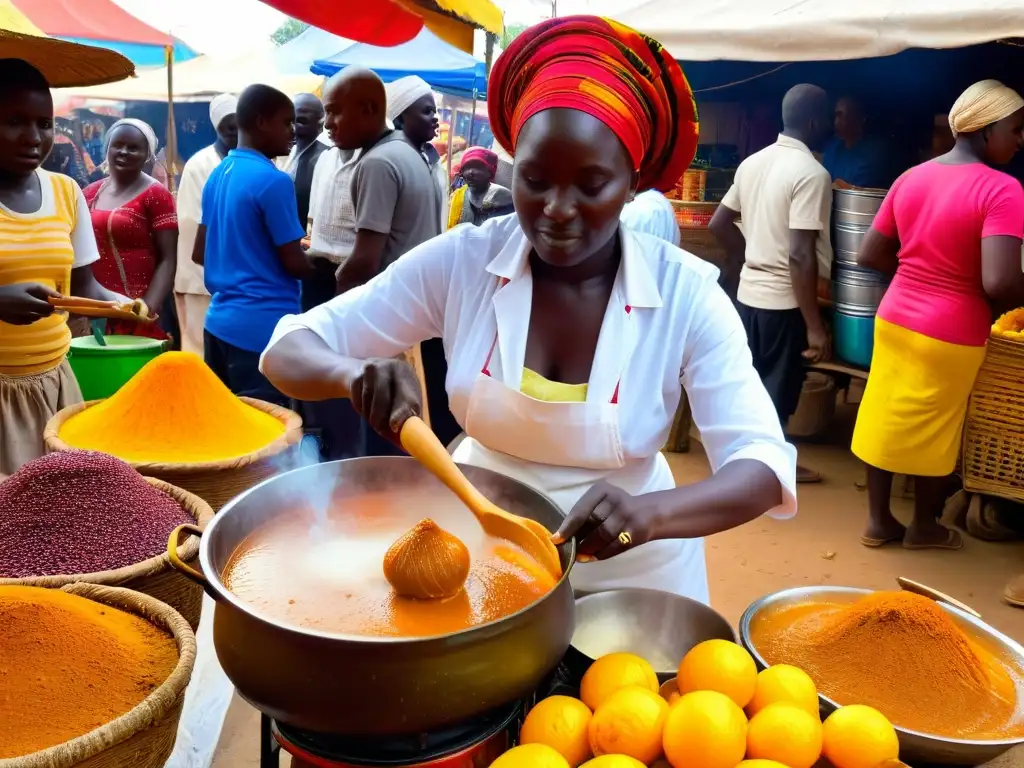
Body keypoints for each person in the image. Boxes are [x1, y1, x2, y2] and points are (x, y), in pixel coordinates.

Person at [260, 16, 796, 604]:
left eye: (591, 184)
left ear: (634, 181)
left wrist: (650, 513)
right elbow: (286, 350)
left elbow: (762, 467)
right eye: (536, 180)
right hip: (478, 557)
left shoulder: (686, 294)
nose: (557, 209)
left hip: (633, 578)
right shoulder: (465, 262)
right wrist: (352, 373)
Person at [852, 81, 1024, 561]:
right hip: (952, 330)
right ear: (986, 129)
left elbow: (869, 252)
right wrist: (952, 287)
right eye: (1016, 129)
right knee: (938, 427)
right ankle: (924, 525)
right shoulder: (1003, 189)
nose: (1020, 139)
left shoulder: (912, 177)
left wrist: (917, 275)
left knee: (883, 412)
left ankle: (878, 520)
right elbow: (1001, 283)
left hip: (895, 316)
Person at [0, 58, 132, 474]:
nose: (33, 138)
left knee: (60, 514)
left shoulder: (66, 191)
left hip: (55, 384)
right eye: (15, 121)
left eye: (43, 123)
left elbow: (85, 289)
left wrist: (124, 306)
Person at [709, 84, 834, 485]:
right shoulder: (812, 174)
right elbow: (800, 254)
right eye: (828, 119)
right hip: (784, 302)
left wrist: (748, 256)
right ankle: (770, 473)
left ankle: (747, 462)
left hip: (748, 294)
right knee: (778, 392)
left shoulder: (753, 163)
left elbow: (718, 224)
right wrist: (815, 326)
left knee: (751, 384)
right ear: (814, 122)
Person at [192, 84, 309, 406]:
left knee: (226, 434)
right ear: (261, 122)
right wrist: (327, 264)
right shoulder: (274, 181)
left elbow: (199, 252)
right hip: (261, 330)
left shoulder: (218, 174)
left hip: (217, 325)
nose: (293, 131)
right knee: (267, 439)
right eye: (286, 122)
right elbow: (294, 263)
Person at [83, 119, 177, 339]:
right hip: (95, 310)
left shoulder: (156, 194)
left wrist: (148, 308)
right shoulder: (89, 193)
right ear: (107, 148)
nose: (123, 152)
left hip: (139, 311)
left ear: (147, 154)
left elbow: (168, 258)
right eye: (118, 145)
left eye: (133, 148)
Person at [174, 94, 238, 357]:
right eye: (228, 127)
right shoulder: (200, 164)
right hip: (199, 278)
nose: (234, 132)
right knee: (198, 352)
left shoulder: (249, 159)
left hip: (235, 279)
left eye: (239, 125)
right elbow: (195, 223)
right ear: (217, 128)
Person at [821, 96, 895, 189]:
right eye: (836, 115)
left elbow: (860, 190)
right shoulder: (833, 148)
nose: (836, 122)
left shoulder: (875, 152)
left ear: (860, 118)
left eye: (841, 115)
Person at [279, 93, 327, 229]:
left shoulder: (323, 158)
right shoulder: (288, 150)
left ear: (321, 124)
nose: (293, 127)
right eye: (289, 120)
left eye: (301, 121)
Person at [448, 146, 513, 229]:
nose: (471, 172)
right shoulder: (458, 196)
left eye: (478, 167)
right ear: (461, 173)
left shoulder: (503, 198)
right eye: (467, 167)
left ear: (490, 172)